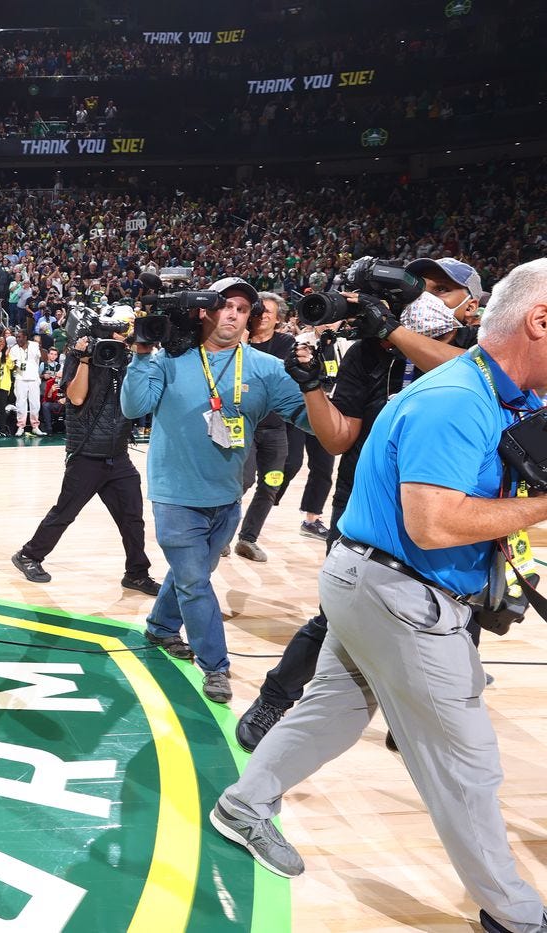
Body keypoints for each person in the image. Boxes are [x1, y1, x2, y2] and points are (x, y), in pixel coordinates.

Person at [211, 258, 547, 933]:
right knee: (466, 763)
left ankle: (242, 805)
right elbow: (434, 521)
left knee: (332, 710)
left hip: (368, 578)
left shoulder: (497, 388)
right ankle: (517, 913)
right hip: (402, 592)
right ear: (540, 321)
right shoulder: (456, 400)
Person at [234, 266, 485, 750]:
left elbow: (466, 370)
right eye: (420, 288)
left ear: (470, 304)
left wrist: (393, 330)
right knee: (338, 613)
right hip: (367, 506)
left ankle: (417, 717)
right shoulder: (370, 355)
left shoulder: (480, 349)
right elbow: (338, 437)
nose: (424, 297)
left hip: (450, 507)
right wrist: (310, 387)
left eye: (439, 290)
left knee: (457, 617)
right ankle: (275, 697)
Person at [119, 277, 310, 703]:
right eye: (225, 305)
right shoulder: (172, 358)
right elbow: (133, 407)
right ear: (205, 311)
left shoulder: (264, 368)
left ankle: (161, 627)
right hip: (174, 495)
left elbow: (307, 417)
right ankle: (215, 665)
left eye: (242, 309)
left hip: (227, 498)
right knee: (194, 581)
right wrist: (142, 351)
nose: (232, 314)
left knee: (194, 577)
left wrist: (318, 390)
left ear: (250, 319)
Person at [13, 327, 160, 596]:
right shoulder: (81, 356)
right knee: (65, 513)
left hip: (118, 456)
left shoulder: (129, 362)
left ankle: (137, 574)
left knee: (132, 518)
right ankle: (28, 555)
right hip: (86, 455)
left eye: (125, 336)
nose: (121, 341)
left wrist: (136, 356)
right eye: (118, 335)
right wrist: (84, 359)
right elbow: (77, 397)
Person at [231, 293, 295, 562]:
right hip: (243, 424)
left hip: (275, 427)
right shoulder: (235, 343)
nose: (263, 316)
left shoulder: (286, 343)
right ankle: (221, 535)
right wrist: (240, 343)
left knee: (272, 483)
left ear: (278, 317)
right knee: (240, 482)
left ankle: (248, 539)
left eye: (269, 312)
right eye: (258, 312)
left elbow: (275, 378)